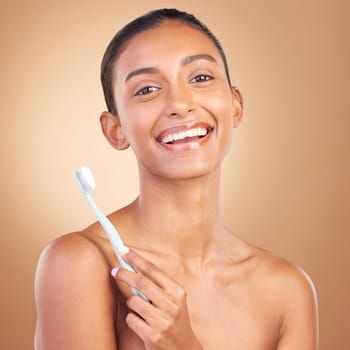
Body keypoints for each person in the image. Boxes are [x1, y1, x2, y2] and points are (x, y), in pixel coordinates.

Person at [34, 8, 319, 350]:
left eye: (200, 78)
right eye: (148, 89)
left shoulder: (287, 290)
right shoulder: (80, 264)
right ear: (116, 130)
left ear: (235, 106)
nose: (180, 104)